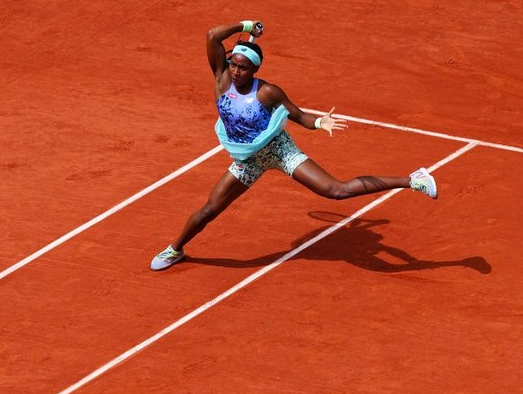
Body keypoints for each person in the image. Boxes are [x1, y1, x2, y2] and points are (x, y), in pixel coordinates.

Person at [150, 19, 437, 271]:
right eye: (234, 64)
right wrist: (245, 26)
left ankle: (413, 179)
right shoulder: (221, 79)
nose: (236, 71)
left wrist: (319, 123)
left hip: (278, 150)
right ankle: (176, 249)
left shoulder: (268, 92)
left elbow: (298, 115)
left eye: (243, 68)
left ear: (255, 70)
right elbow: (213, 34)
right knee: (209, 209)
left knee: (336, 190)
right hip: (248, 160)